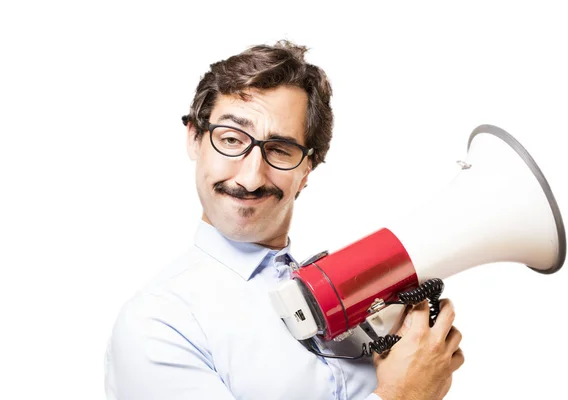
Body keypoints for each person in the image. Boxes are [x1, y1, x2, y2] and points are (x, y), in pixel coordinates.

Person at [104, 40, 464, 400]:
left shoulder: (343, 292)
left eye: (279, 149)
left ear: (307, 169)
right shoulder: (156, 323)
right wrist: (406, 393)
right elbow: (404, 389)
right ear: (195, 139)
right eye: (231, 139)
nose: (250, 177)